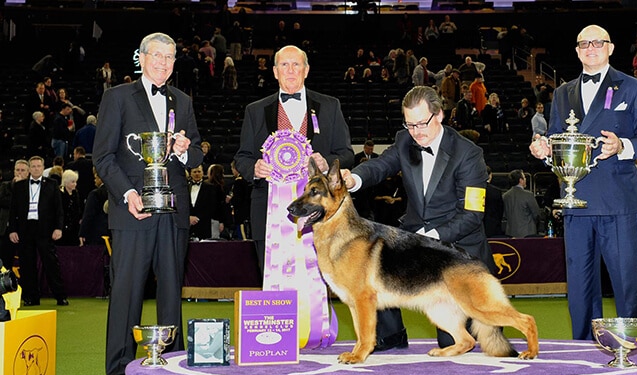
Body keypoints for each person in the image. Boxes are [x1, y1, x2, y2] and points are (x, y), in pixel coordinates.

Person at [529, 25, 637, 340]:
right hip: (576, 201)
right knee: (581, 287)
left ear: (610, 48)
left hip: (618, 201)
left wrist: (623, 146)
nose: (591, 47)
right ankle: (585, 353)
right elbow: (559, 141)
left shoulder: (634, 87)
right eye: (584, 43)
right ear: (576, 51)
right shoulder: (562, 93)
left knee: (627, 283)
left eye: (598, 42)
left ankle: (631, 351)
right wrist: (544, 150)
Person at [341, 85, 492, 351]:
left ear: (440, 115)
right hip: (414, 239)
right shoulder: (404, 140)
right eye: (410, 125)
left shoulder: (469, 154)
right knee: (372, 267)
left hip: (457, 249)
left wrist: (429, 239)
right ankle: (390, 335)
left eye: (423, 123)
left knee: (457, 342)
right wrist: (354, 178)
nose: (417, 132)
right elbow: (380, 165)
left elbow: (472, 215)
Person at [93, 32, 203, 375]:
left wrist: (186, 150)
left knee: (172, 289)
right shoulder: (117, 97)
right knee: (126, 290)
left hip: (174, 211)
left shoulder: (183, 100)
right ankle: (120, 365)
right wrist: (127, 193)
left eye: (170, 57)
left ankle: (172, 362)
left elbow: (197, 156)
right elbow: (104, 157)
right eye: (157, 56)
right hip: (132, 211)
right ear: (141, 57)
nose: (164, 63)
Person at [233, 45, 354, 276]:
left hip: (319, 215)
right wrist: (254, 169)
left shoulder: (330, 106)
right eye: (284, 65)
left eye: (296, 64)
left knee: (316, 286)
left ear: (306, 70)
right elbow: (242, 157)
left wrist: (327, 164)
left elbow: (346, 153)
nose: (290, 70)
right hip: (268, 212)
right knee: (272, 280)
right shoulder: (255, 110)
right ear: (275, 71)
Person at [8, 156, 67, 307]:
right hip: (25, 229)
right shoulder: (19, 187)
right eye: (32, 166)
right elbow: (12, 211)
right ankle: (31, 297)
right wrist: (12, 230)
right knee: (27, 265)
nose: (35, 169)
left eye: (38, 166)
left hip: (45, 229)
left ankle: (60, 296)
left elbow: (59, 209)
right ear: (29, 169)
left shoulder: (52, 185)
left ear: (43, 167)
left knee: (51, 264)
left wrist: (58, 228)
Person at [188, 164, 223, 240]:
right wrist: (189, 217)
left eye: (199, 171)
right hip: (188, 224)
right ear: (190, 173)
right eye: (194, 172)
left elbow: (213, 206)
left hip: (204, 224)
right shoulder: (185, 187)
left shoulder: (210, 187)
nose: (197, 174)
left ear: (203, 173)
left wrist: (198, 218)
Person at [502, 169, 540, 238]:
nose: (525, 180)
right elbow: (536, 214)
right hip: (527, 233)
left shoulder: (505, 196)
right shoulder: (528, 195)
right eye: (524, 178)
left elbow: (504, 214)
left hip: (510, 233)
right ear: (521, 180)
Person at [78, 167, 109, 246]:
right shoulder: (115, 192)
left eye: (95, 178)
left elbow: (88, 214)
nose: (94, 180)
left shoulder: (95, 194)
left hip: (96, 233)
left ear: (100, 178)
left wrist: (82, 232)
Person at [59, 169, 82, 246]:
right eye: (73, 182)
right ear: (66, 182)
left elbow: (78, 209)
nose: (75, 184)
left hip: (74, 227)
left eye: (76, 182)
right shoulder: (59, 194)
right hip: (63, 227)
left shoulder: (76, 193)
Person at [483, 166, 504, 238]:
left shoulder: (474, 190)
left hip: (478, 227)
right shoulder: (496, 191)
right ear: (490, 175)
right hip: (493, 226)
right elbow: (500, 210)